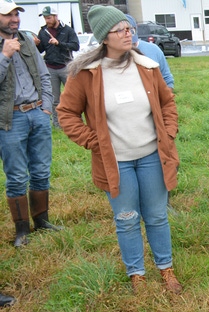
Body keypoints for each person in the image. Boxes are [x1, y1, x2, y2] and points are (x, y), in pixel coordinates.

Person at [58, 5, 183, 294]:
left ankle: (166, 270)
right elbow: (66, 114)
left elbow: (168, 103)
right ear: (105, 37)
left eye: (129, 29)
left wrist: (169, 132)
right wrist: (94, 142)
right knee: (126, 220)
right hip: (116, 162)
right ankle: (136, 274)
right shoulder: (85, 74)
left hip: (153, 156)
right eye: (121, 30)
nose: (129, 34)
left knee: (157, 216)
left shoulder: (146, 67)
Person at [0, 1, 61, 249]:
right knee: (16, 177)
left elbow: (44, 75)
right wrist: (5, 56)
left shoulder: (26, 39)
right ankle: (22, 230)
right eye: (8, 15)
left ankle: (42, 221)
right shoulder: (7, 47)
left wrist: (46, 106)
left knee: (41, 172)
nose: (14, 19)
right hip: (10, 119)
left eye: (16, 14)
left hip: (37, 113)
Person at [34, 6, 78, 130]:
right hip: (50, 67)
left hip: (66, 66)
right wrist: (37, 45)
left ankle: (75, 121)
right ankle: (58, 124)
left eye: (48, 18)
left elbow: (75, 46)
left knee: (73, 96)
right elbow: (41, 50)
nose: (47, 20)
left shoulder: (67, 30)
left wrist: (59, 43)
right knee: (54, 98)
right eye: (45, 18)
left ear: (55, 16)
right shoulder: (43, 32)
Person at [124, 14, 173, 89]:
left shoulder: (153, 50)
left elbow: (167, 79)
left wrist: (165, 98)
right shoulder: (111, 56)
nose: (129, 41)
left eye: (131, 31)